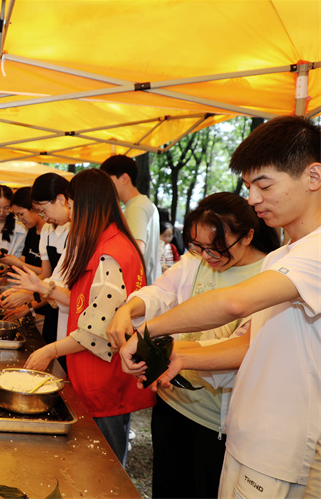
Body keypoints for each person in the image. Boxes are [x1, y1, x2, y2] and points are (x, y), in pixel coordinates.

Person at [115, 116, 321, 497]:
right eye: (249, 186)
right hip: (249, 436)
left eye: (264, 185)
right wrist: (179, 355)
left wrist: (150, 329)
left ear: (313, 176)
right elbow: (248, 344)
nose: (253, 199)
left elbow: (233, 302)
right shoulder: (283, 256)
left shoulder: (315, 251)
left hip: (283, 445)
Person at [108, 192, 280, 498]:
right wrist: (127, 310)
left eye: (216, 248)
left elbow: (242, 347)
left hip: (216, 421)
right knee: (166, 487)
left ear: (248, 236)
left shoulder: (269, 276)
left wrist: (177, 356)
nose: (206, 256)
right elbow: (160, 292)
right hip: (172, 402)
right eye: (198, 246)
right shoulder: (195, 261)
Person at [8, 168, 155, 466]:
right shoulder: (104, 244)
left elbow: (96, 328)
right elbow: (83, 304)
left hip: (105, 379)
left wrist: (49, 351)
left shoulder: (112, 252)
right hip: (93, 374)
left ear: (88, 204)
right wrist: (44, 288)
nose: (71, 214)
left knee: (105, 466)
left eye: (73, 206)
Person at [100, 155, 161, 285]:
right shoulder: (145, 203)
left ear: (124, 178)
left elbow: (136, 250)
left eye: (108, 180)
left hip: (139, 285)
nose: (105, 187)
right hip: (149, 283)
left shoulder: (136, 207)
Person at [0, 187, 48, 332]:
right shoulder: (31, 232)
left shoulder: (49, 234)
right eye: (17, 215)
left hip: (44, 305)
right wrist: (10, 265)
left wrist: (17, 263)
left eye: (21, 214)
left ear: (34, 208)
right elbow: (26, 260)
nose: (20, 219)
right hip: (31, 302)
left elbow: (47, 275)